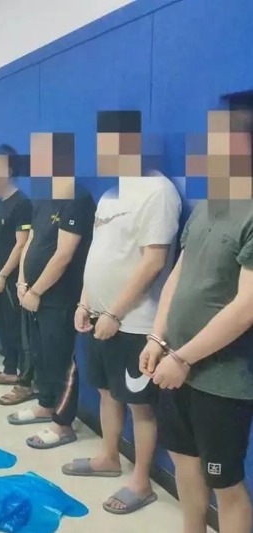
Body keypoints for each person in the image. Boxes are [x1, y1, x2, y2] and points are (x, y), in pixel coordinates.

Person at [141, 109, 253, 533]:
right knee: (185, 465)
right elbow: (178, 276)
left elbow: (246, 307)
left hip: (222, 381)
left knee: (226, 484)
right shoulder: (207, 205)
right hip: (176, 369)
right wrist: (158, 338)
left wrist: (183, 358)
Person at [61, 142, 180, 515]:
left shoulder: (158, 191)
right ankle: (108, 457)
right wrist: (85, 302)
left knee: (139, 405)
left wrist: (115, 312)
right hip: (100, 315)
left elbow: (154, 262)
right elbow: (98, 254)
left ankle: (141, 482)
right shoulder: (110, 194)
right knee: (106, 392)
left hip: (135, 322)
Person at [10, 132, 96, 450]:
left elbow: (64, 254)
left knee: (61, 359)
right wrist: (22, 283)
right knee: (41, 354)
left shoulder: (78, 199)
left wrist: (37, 292)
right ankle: (45, 404)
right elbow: (31, 241)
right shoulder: (44, 198)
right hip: (32, 294)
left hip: (60, 298)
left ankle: (63, 423)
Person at [0, 145, 35, 405]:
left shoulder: (22, 203)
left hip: (13, 280)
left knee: (17, 331)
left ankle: (25, 381)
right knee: (2, 327)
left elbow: (21, 245)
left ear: (9, 170)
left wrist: (2, 275)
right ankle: (9, 371)